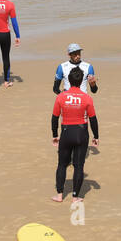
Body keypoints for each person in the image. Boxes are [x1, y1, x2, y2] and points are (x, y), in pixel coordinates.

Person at [52, 67, 99, 203]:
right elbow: (93, 119)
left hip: (66, 133)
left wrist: (55, 134)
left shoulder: (61, 97)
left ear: (69, 81)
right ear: (81, 81)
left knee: (62, 164)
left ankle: (59, 195)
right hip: (81, 133)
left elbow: (54, 118)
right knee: (79, 166)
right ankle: (75, 196)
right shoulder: (87, 98)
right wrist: (96, 136)